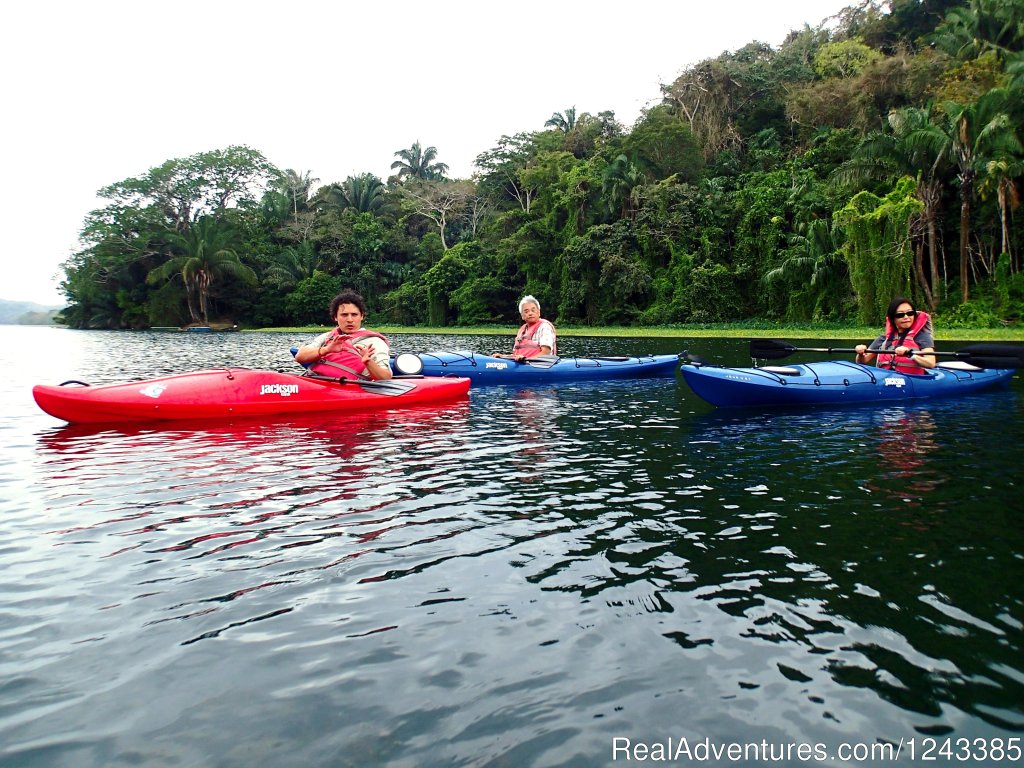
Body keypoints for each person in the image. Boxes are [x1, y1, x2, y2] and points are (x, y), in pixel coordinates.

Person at [294, 290, 393, 380]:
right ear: (335, 317)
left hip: (348, 390)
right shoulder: (327, 337)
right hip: (316, 382)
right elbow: (299, 356)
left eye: (354, 314)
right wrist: (327, 349)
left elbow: (386, 378)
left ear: (362, 316)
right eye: (344, 315)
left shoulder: (375, 342)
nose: (350, 320)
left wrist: (368, 362)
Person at [854, 296, 936, 374]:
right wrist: (860, 353)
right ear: (892, 318)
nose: (906, 317)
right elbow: (862, 361)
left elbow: (931, 363)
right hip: (886, 378)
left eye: (910, 313)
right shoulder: (883, 339)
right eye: (900, 315)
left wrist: (910, 354)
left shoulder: (922, 337)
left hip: (912, 380)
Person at [494, 295, 557, 361]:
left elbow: (546, 352)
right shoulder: (522, 331)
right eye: (526, 312)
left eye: (533, 310)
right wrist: (503, 357)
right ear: (522, 316)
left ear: (539, 313)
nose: (530, 313)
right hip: (525, 363)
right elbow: (516, 355)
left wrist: (526, 359)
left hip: (541, 365)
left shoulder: (544, 327)